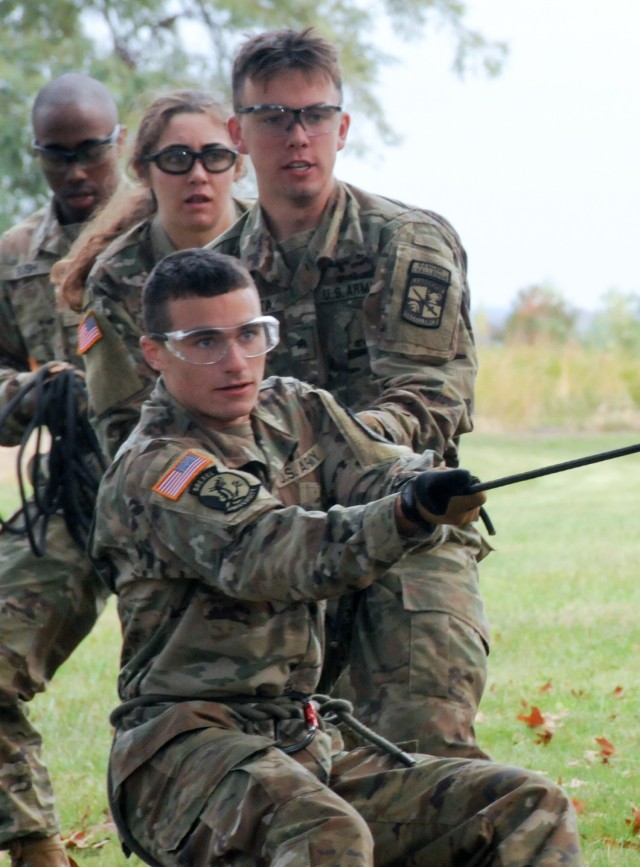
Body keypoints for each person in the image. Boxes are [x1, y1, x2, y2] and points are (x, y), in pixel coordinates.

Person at [89, 248, 582, 867]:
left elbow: (375, 469)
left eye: (250, 334)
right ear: (155, 352)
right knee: (322, 835)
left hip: (300, 743)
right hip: (184, 759)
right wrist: (405, 517)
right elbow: (274, 553)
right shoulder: (159, 469)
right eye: (204, 342)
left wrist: (423, 483)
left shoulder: (294, 409)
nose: (236, 360)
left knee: (523, 806)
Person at [209, 27, 490, 758]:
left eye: (315, 115)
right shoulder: (211, 276)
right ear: (239, 133)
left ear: (343, 127)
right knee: (252, 769)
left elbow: (428, 396)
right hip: (273, 544)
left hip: (409, 525)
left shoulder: (406, 241)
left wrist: (319, 452)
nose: (297, 136)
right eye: (273, 117)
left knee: (426, 753)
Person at [0, 74, 124, 866]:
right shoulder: (14, 261)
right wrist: (33, 391)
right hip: (77, 505)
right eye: (58, 156)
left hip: (206, 500)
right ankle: (38, 851)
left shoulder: (187, 227)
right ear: (37, 154)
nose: (76, 172)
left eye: (92, 153)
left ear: (121, 145)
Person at [54, 89, 250, 460]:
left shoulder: (277, 238)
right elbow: (120, 423)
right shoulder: (115, 278)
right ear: (144, 170)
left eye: (215, 157)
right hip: (178, 471)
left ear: (237, 165)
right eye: (176, 159)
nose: (198, 175)